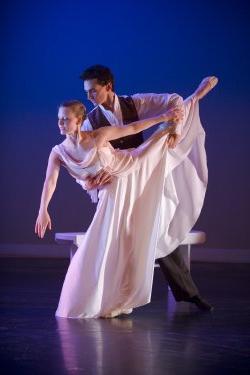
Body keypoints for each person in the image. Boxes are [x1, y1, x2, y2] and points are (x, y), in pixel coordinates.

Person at [35, 75, 217, 319]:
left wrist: (168, 120)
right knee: (112, 238)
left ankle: (197, 95)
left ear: (108, 86)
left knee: (155, 224)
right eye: (59, 120)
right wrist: (86, 185)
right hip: (113, 185)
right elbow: (65, 175)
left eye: (93, 91)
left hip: (134, 167)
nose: (90, 97)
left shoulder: (130, 106)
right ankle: (111, 295)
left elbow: (134, 126)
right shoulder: (85, 127)